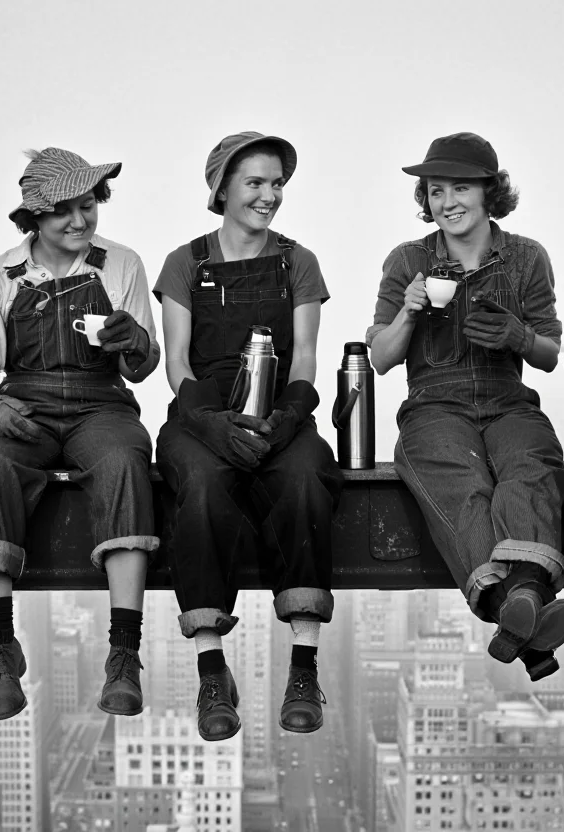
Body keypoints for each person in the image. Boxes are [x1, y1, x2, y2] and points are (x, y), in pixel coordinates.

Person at [0, 147, 160, 723]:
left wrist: (132, 341)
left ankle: (124, 654)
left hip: (103, 404)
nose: (79, 220)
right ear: (33, 219)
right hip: (26, 406)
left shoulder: (122, 265)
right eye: (63, 211)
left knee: (123, 459)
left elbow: (143, 368)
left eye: (87, 204)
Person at [154, 132, 342, 741]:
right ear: (222, 188)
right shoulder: (185, 263)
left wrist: (288, 416)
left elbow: (307, 355)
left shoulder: (299, 262)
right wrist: (208, 422)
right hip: (200, 416)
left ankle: (303, 667)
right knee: (204, 488)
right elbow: (176, 361)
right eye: (255, 183)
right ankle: (213, 671)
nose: (270, 195)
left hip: (280, 412)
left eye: (277, 183)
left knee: (308, 477)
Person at [367, 133, 564, 681]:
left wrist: (517, 336)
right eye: (436, 191)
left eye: (461, 188)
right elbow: (383, 358)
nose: (448, 202)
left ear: (490, 192)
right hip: (435, 407)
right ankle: (527, 608)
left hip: (509, 403)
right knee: (464, 487)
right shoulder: (407, 260)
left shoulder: (527, 257)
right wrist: (408, 314)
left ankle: (519, 613)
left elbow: (552, 354)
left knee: (529, 467)